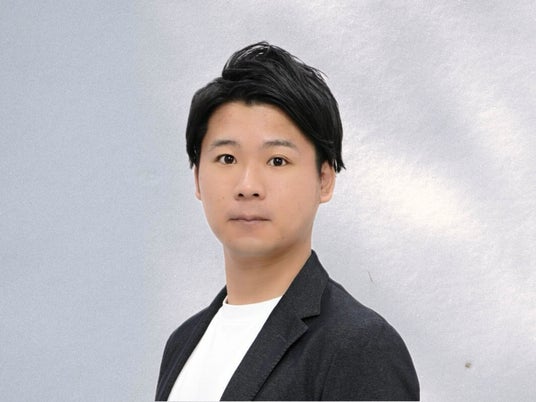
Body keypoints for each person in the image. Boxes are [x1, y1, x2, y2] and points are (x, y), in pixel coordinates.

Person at [155, 42, 419, 401]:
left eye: (277, 161)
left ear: (324, 180)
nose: (248, 186)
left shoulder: (359, 346)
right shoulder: (182, 343)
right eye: (227, 158)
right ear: (198, 179)